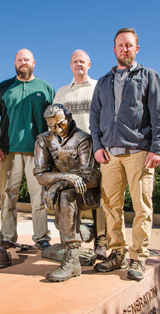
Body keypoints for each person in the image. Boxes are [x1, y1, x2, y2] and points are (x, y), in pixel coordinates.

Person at [89, 28, 160, 281]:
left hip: (139, 152)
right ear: (114, 49)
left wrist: (157, 147)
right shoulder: (103, 82)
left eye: (129, 45)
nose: (125, 48)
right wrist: (97, 146)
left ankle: (138, 257)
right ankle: (117, 253)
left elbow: (159, 114)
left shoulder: (149, 76)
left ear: (137, 48)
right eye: (121, 45)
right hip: (110, 155)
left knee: (142, 207)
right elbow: (94, 117)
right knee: (111, 206)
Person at [0, 49, 55, 250]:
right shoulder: (3, 88)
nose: (23, 63)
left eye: (26, 59)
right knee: (8, 196)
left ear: (34, 62)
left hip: (37, 152)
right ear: (15, 63)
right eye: (20, 60)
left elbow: (54, 122)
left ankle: (41, 237)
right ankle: (7, 236)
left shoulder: (45, 88)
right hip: (7, 152)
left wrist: (51, 152)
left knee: (38, 197)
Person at [34, 104, 101, 282]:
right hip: (59, 193)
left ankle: (72, 261)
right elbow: (41, 175)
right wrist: (67, 178)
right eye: (51, 126)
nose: (57, 129)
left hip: (86, 193)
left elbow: (90, 177)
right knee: (51, 246)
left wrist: (57, 185)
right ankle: (83, 233)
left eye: (60, 124)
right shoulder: (43, 140)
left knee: (66, 195)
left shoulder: (83, 139)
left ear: (69, 117)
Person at [54, 49, 107, 259]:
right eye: (75, 61)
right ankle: (72, 241)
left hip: (96, 150)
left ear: (89, 64)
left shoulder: (98, 88)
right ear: (70, 65)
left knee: (99, 197)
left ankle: (101, 241)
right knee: (70, 195)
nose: (79, 65)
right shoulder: (62, 93)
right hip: (69, 154)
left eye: (83, 61)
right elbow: (55, 125)